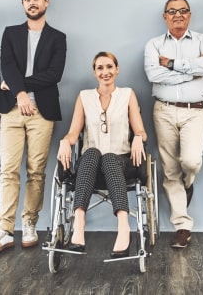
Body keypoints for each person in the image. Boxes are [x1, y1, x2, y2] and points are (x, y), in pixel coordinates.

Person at [0, 0, 67, 254]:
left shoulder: (58, 37)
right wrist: (19, 93)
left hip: (42, 112)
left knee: (36, 171)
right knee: (8, 169)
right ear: (22, 4)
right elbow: (7, 65)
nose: (32, 2)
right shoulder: (11, 33)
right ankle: (4, 229)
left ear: (46, 2)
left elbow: (54, 75)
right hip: (11, 111)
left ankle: (29, 223)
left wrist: (17, 85)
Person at [57, 52, 147, 257]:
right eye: (100, 68)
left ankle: (123, 228)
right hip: (90, 166)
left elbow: (141, 131)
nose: (105, 72)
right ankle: (78, 224)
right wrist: (64, 141)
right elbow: (73, 133)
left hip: (121, 162)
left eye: (109, 67)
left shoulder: (127, 94)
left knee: (108, 158)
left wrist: (138, 137)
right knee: (92, 152)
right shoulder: (84, 97)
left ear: (117, 69)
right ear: (94, 72)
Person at [144, 0, 203, 249]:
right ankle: (182, 226)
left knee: (191, 161)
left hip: (195, 111)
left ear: (189, 14)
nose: (178, 15)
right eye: (172, 11)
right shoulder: (154, 44)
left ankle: (189, 183)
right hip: (163, 111)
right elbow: (154, 74)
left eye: (183, 11)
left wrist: (173, 66)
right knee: (170, 169)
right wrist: (192, 73)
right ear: (165, 16)